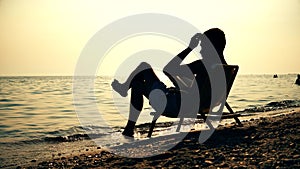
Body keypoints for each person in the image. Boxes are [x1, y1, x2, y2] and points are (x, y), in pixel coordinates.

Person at [112, 28, 228, 137]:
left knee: (142, 71)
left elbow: (169, 68)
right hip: (196, 105)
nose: (201, 50)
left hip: (175, 105)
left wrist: (190, 48)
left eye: (203, 46)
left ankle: (128, 122)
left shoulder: (203, 65)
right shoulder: (225, 68)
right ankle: (125, 96)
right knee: (139, 79)